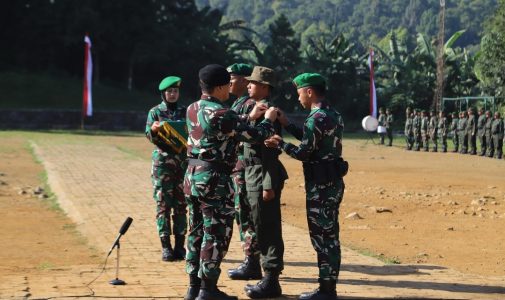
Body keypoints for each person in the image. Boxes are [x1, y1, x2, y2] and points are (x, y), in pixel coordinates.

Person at [183, 64, 278, 300]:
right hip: (214, 180)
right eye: (227, 85)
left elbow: (227, 127)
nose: (231, 89)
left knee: (194, 233)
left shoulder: (193, 108)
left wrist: (247, 117)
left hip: (192, 177)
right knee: (215, 234)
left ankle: (193, 286)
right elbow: (254, 135)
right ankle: (208, 288)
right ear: (219, 87)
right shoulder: (221, 113)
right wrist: (267, 120)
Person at [265, 73, 346, 300]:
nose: (298, 97)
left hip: (320, 186)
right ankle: (328, 287)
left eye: (300, 92)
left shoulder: (315, 118)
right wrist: (288, 124)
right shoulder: (332, 114)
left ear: (309, 92)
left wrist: (280, 143)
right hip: (332, 183)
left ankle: (326, 290)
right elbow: (313, 140)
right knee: (330, 236)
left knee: (322, 238)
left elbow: (304, 152)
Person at [233, 66, 288, 299]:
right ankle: (265, 274)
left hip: (262, 174)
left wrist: (268, 184)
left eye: (253, 83)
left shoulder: (269, 113)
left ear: (265, 87)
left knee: (267, 227)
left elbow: (270, 152)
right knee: (257, 225)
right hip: (251, 173)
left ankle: (271, 279)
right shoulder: (256, 109)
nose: (248, 85)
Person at [145, 76, 188, 262]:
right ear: (163, 93)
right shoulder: (155, 112)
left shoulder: (185, 111)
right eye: (169, 91)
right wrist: (154, 130)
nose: (172, 94)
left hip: (182, 165)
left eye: (175, 91)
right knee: (163, 205)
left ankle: (180, 246)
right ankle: (166, 247)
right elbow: (149, 135)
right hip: (162, 165)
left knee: (181, 206)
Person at [224, 63, 261, 279]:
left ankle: (252, 262)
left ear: (245, 80)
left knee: (246, 214)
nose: (229, 82)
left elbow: (244, 133)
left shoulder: (248, 105)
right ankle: (250, 259)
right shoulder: (239, 103)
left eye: (233, 78)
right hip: (237, 168)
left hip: (244, 168)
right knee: (241, 214)